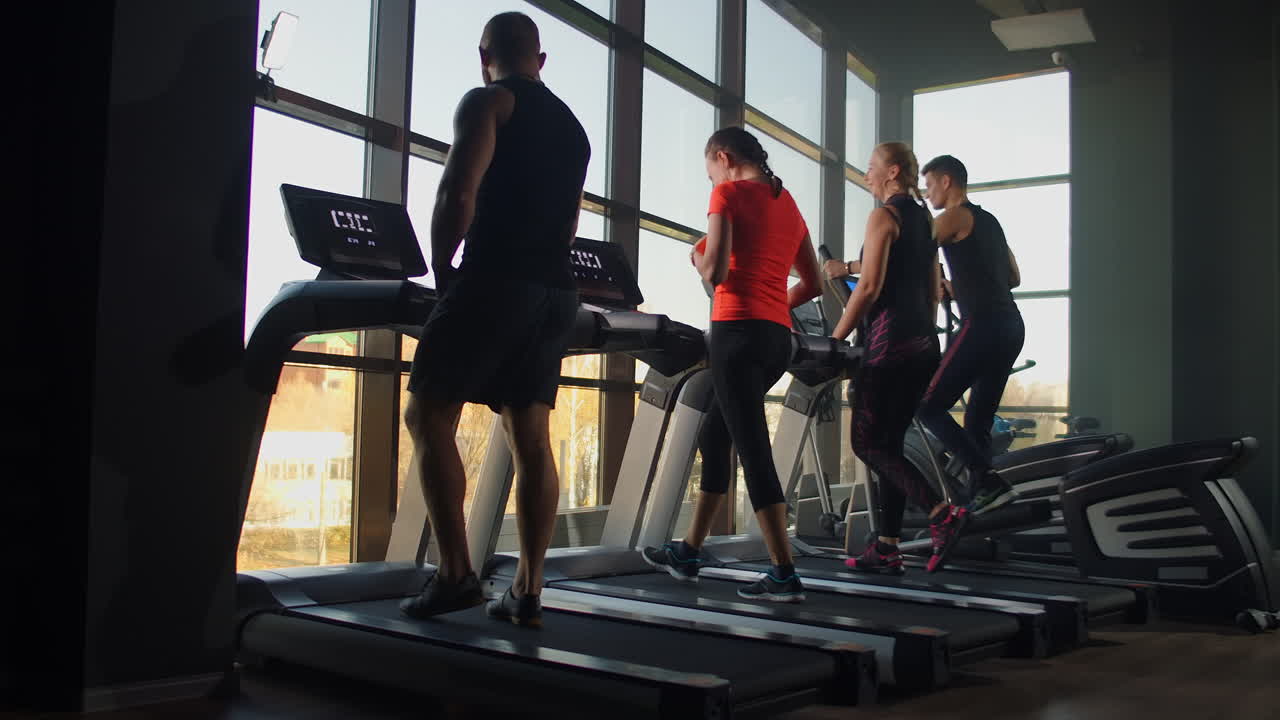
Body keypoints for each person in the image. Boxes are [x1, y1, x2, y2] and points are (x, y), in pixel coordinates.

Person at [399, 12, 590, 628]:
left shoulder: (488, 102)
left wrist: (442, 270)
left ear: (485, 55)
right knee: (530, 441)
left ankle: (455, 575)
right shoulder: (573, 128)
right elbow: (569, 227)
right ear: (543, 58)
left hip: (496, 278)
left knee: (427, 412)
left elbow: (459, 190)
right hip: (556, 291)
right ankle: (528, 591)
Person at [641, 127, 823, 602]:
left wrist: (697, 258)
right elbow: (815, 283)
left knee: (753, 448)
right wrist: (775, 305)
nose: (711, 182)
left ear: (723, 158)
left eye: (709, 173)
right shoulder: (787, 201)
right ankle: (689, 551)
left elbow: (717, 273)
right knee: (715, 434)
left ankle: (784, 573)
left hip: (736, 334)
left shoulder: (726, 193)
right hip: (777, 339)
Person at [836, 142, 970, 575]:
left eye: (871, 168)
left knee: (866, 443)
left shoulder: (885, 215)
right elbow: (934, 292)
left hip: (887, 347)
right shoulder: (925, 220)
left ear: (892, 172)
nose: (865, 175)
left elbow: (870, 287)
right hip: (921, 345)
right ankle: (888, 547)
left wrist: (839, 338)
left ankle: (941, 515)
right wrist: (919, 339)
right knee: (890, 446)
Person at [917, 155, 1025, 516]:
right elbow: (1013, 277)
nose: (926, 191)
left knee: (928, 407)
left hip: (983, 326)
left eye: (929, 184)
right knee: (977, 421)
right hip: (1011, 325)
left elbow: (909, 250)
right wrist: (957, 284)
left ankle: (987, 479)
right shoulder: (989, 221)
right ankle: (987, 499)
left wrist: (850, 267)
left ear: (947, 181)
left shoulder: (953, 215)